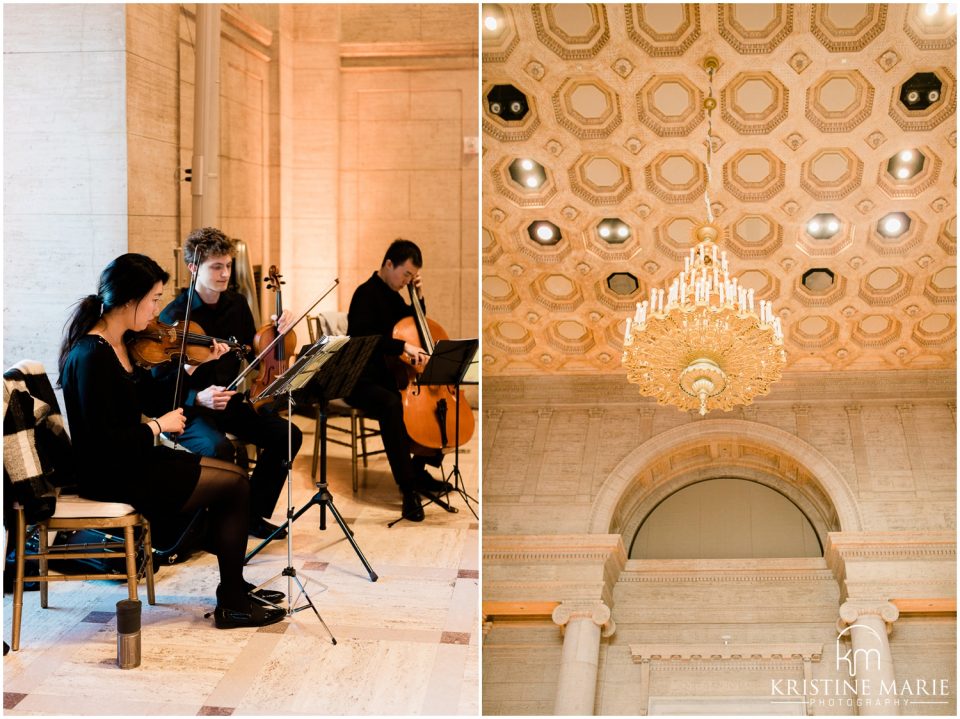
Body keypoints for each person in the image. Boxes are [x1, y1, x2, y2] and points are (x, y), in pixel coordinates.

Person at [58, 253, 284, 629]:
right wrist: (157, 428)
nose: (158, 309)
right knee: (232, 487)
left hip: (133, 460)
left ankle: (235, 587)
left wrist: (192, 365)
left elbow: (155, 398)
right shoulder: (90, 356)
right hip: (110, 473)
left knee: (235, 480)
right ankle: (232, 600)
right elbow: (103, 444)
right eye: (154, 299)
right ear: (130, 300)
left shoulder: (121, 344)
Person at [158, 228, 303, 540]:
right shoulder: (174, 317)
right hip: (188, 408)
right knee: (218, 447)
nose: (225, 274)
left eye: (227, 266)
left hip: (229, 399)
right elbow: (160, 384)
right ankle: (213, 526)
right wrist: (197, 397)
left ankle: (251, 514)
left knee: (286, 434)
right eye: (216, 267)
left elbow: (253, 352)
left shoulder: (236, 304)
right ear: (193, 268)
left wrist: (278, 329)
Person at [345, 239, 452, 522]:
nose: (406, 280)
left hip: (390, 376)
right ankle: (408, 490)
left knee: (437, 406)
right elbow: (363, 338)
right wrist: (401, 348)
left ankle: (418, 471)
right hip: (361, 380)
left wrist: (419, 296)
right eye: (406, 274)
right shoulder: (365, 294)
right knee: (392, 404)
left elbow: (415, 326)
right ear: (389, 264)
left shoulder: (394, 297)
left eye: (411, 277)